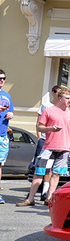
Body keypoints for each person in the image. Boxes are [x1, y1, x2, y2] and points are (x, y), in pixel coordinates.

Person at [18, 87, 70, 207]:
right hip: (49, 147)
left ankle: (49, 199)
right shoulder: (48, 111)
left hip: (64, 149)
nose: (69, 101)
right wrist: (50, 129)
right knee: (39, 173)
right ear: (60, 98)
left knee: (56, 174)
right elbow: (39, 127)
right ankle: (30, 199)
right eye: (67, 98)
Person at [33, 85, 61, 201]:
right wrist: (39, 137)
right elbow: (39, 123)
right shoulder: (45, 105)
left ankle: (45, 192)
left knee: (50, 168)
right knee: (40, 167)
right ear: (53, 93)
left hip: (55, 141)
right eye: (59, 93)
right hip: (44, 139)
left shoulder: (61, 107)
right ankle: (33, 192)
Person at [0, 69, 14, 204]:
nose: (2, 81)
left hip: (2, 135)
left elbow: (10, 111)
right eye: (0, 78)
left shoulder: (6, 95)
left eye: (3, 78)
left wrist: (10, 115)